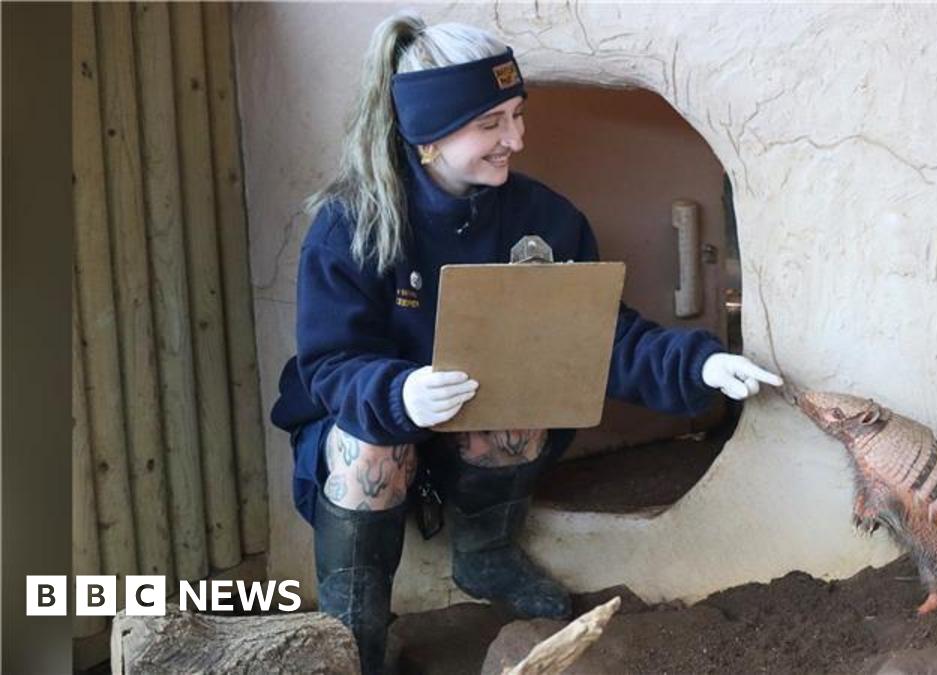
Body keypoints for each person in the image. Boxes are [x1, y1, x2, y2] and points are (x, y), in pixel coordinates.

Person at [269, 11, 782, 674]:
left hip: (477, 429)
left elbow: (599, 338)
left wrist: (702, 360)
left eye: (517, 113)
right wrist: (398, 393)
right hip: (371, 438)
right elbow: (331, 365)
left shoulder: (544, 219)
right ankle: (354, 622)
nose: (516, 137)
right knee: (371, 441)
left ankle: (485, 554)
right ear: (427, 134)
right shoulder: (350, 225)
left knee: (526, 388)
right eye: (491, 123)